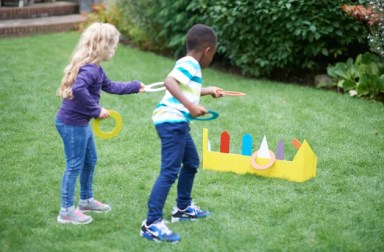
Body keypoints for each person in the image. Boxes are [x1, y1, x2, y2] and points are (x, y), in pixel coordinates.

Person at [55, 22, 145, 225]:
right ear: (102, 46)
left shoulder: (96, 68)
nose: (114, 49)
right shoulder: (90, 70)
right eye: (113, 45)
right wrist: (96, 110)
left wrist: (135, 86)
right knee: (74, 165)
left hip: (80, 123)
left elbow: (110, 86)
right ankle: (66, 210)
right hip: (72, 124)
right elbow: (79, 89)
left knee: (90, 160)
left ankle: (86, 200)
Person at [140, 24, 223, 243]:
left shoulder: (190, 65)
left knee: (192, 162)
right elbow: (170, 82)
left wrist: (208, 91)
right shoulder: (190, 63)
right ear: (207, 51)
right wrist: (191, 106)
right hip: (172, 120)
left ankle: (183, 208)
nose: (211, 58)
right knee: (169, 171)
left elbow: (187, 88)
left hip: (176, 121)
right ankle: (151, 223)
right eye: (212, 54)